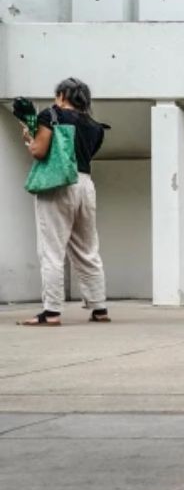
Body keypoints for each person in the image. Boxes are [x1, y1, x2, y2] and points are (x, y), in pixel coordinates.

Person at [15, 78, 110, 327]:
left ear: (60, 95)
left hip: (58, 185)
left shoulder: (52, 115)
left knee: (52, 250)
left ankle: (52, 311)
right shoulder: (95, 127)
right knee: (87, 248)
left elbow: (39, 151)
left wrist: (29, 138)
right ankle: (99, 307)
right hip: (86, 185)